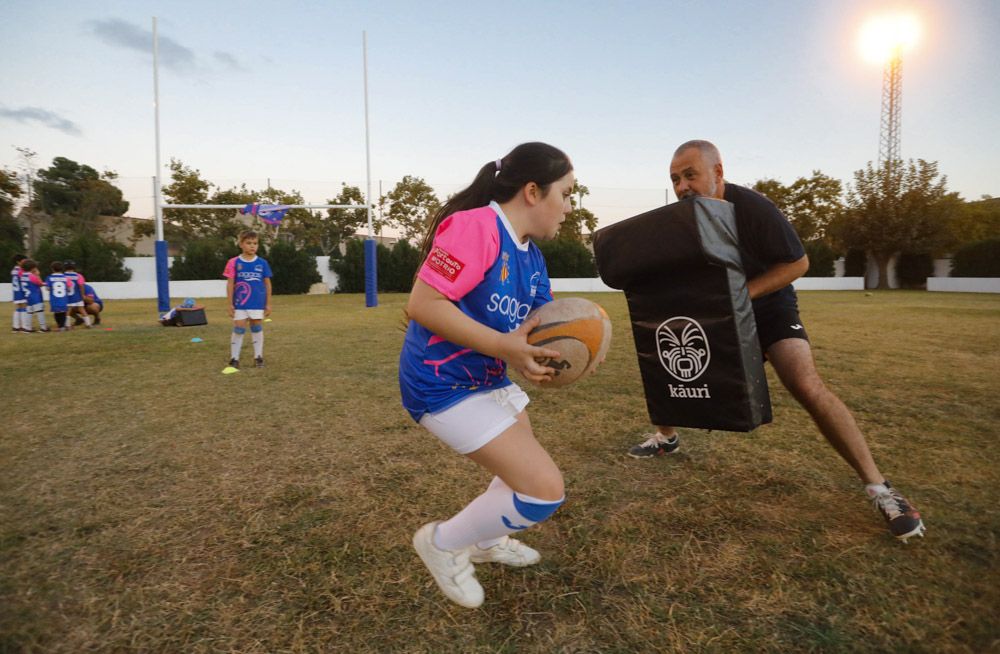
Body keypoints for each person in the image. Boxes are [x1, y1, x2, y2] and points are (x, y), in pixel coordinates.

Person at [627, 139, 925, 542]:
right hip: (717, 305)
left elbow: (798, 262)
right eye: (675, 179)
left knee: (805, 384)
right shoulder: (683, 217)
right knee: (670, 361)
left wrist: (741, 297)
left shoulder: (754, 208)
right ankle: (667, 437)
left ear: (717, 172)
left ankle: (880, 489)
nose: (682, 186)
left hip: (767, 304)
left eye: (690, 175)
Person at [400, 142, 575, 608]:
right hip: (440, 383)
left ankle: (487, 542)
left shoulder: (533, 258)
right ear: (534, 191)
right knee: (543, 492)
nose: (570, 207)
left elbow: (540, 325)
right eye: (567, 193)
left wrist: (558, 352)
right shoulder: (475, 227)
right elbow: (423, 304)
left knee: (517, 475)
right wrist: (503, 347)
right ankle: (442, 543)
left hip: (488, 380)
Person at [223, 230, 272, 368]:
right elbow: (230, 283)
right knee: (239, 328)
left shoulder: (262, 263)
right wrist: (230, 304)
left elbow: (267, 284)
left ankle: (258, 357)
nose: (252, 246)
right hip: (240, 304)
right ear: (241, 244)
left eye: (255, 243)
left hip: (257, 303)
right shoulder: (233, 262)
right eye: (249, 243)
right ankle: (234, 358)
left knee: (256, 327)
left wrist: (268, 304)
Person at [20, 259, 50, 332]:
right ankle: (43, 327)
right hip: (35, 297)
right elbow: (40, 284)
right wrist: (38, 275)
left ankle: (28, 328)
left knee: (29, 312)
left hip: (28, 297)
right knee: (40, 311)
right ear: (32, 268)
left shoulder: (22, 276)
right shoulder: (31, 276)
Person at [63, 261, 92, 329]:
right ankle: (88, 324)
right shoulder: (78, 276)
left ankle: (67, 325)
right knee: (82, 310)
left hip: (68, 297)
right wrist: (82, 295)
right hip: (77, 296)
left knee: (68, 311)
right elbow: (81, 286)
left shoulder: (63, 276)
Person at [46, 261, 70, 331]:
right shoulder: (66, 278)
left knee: (56, 313)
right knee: (63, 312)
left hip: (54, 299)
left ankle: (60, 326)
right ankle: (62, 326)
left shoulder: (49, 278)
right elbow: (68, 288)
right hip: (63, 299)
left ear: (52, 269)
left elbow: (47, 288)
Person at [11, 254, 27, 333]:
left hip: (16, 292)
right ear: (18, 262)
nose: (25, 262)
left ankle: (15, 327)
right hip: (21, 291)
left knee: (18, 308)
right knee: (24, 307)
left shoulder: (14, 270)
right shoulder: (21, 270)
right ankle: (24, 327)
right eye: (24, 260)